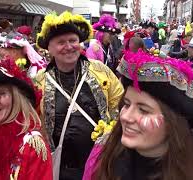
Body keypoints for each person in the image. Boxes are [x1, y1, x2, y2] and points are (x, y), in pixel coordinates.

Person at [83, 50, 193, 180]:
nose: (125, 117)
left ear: (173, 123)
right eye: (127, 104)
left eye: (144, 110)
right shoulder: (101, 156)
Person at [35, 11, 124, 180]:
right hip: (60, 168)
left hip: (100, 163)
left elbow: (119, 104)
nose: (68, 46)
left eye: (73, 40)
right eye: (61, 42)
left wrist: (111, 135)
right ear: (50, 48)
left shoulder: (101, 71)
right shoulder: (39, 82)